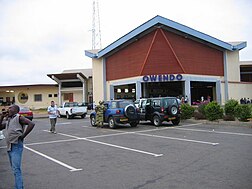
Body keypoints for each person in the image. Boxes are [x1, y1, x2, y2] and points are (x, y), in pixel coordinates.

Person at [0, 104, 35, 189]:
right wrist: (1, 117)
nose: (8, 109)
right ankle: (18, 186)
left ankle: (19, 187)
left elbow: (31, 124)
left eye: (10, 108)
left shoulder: (19, 118)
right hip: (10, 146)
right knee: (15, 169)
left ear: (15, 110)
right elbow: (0, 127)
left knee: (16, 169)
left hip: (16, 145)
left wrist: (23, 136)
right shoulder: (9, 119)